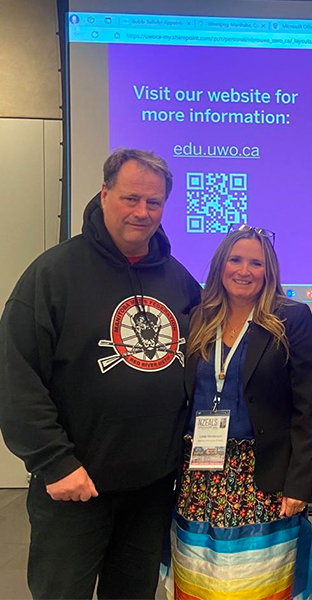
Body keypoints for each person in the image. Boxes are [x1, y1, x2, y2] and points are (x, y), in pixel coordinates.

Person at [0, 149, 203, 599]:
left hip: (151, 487)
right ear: (104, 193)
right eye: (131, 198)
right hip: (75, 486)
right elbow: (15, 377)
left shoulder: (178, 279)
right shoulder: (53, 274)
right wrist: (54, 462)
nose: (142, 212)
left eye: (153, 203)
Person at [166, 226, 312, 600]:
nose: (244, 270)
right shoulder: (196, 318)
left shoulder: (290, 319)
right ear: (221, 265)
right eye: (236, 260)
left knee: (257, 581)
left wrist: (300, 482)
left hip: (262, 476)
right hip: (199, 475)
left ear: (269, 272)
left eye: (256, 263)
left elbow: (306, 404)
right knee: (201, 578)